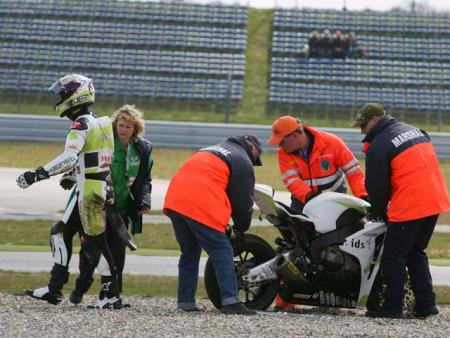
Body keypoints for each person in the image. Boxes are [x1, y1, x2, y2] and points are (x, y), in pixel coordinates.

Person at [18, 74, 121, 309]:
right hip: (95, 187)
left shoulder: (81, 124)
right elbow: (98, 158)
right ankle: (54, 289)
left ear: (75, 95)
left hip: (90, 193)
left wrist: (37, 174)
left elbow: (69, 156)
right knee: (60, 233)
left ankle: (111, 294)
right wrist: (75, 175)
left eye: (63, 93)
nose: (59, 97)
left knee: (95, 244)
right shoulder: (101, 122)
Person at [352, 103, 450, 319]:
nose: (362, 131)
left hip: (411, 205)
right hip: (435, 200)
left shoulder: (379, 145)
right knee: (416, 252)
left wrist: (378, 213)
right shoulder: (414, 130)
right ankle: (426, 305)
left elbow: (377, 188)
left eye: (364, 125)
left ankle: (392, 308)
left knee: (393, 256)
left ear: (376, 119)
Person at [268, 115, 368, 310]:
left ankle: (335, 299)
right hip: (303, 203)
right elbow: (291, 181)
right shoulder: (284, 153)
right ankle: (285, 301)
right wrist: (309, 197)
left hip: (337, 203)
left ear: (296, 134)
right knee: (295, 249)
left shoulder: (332, 142)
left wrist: (363, 196)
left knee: (337, 249)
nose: (279, 146)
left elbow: (354, 172)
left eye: (282, 141)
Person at [164, 134, 263, 315]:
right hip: (199, 201)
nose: (255, 160)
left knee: (190, 253)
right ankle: (231, 301)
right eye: (257, 156)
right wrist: (241, 228)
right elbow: (242, 202)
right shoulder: (242, 159)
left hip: (175, 200)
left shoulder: (210, 149)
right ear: (252, 147)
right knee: (222, 250)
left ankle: (185, 302)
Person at [69, 104, 153, 305]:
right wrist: (70, 176)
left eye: (128, 127)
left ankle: (113, 296)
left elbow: (145, 180)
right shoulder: (103, 143)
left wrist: (145, 199)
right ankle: (81, 286)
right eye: (121, 125)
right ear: (115, 126)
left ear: (135, 130)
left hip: (121, 210)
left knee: (118, 255)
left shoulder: (143, 149)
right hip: (96, 205)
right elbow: (81, 162)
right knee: (90, 251)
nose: (123, 130)